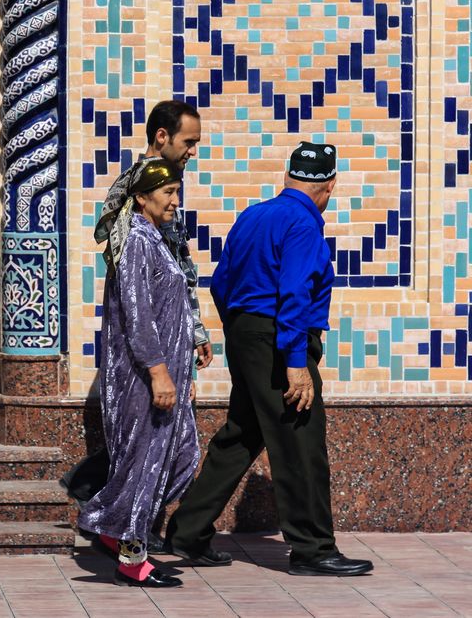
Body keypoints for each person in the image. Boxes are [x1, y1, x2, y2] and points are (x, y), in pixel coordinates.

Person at [164, 143, 374, 577]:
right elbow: (295, 294)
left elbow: (221, 282)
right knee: (300, 441)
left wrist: (239, 334)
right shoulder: (302, 223)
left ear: (288, 178)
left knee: (242, 435)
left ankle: (187, 531)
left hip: (247, 335)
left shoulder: (254, 216)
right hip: (281, 341)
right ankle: (313, 548)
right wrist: (294, 362)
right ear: (329, 186)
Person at [64, 100, 213, 552]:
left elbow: (179, 266)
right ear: (163, 137)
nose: (192, 152)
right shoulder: (136, 199)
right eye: (188, 142)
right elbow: (134, 289)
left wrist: (194, 332)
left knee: (174, 453)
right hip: (144, 360)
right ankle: (117, 524)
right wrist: (157, 365)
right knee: (143, 452)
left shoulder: (167, 192)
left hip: (168, 347)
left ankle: (121, 523)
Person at [77, 158, 200, 588]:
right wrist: (159, 375)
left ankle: (112, 523)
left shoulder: (157, 238)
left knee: (183, 455)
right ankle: (131, 556)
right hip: (143, 380)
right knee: (145, 464)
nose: (174, 200)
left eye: (176, 192)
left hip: (166, 378)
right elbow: (138, 316)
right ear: (142, 197)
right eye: (167, 193)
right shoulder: (135, 242)